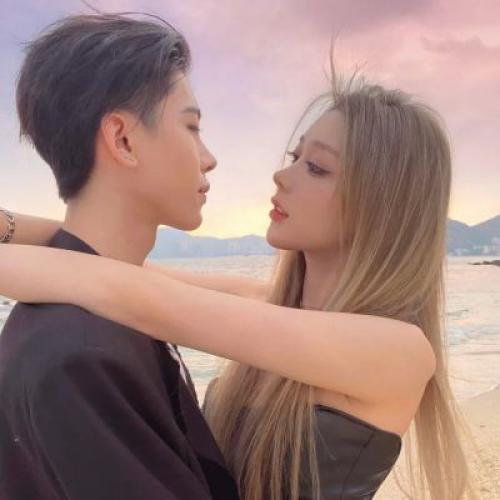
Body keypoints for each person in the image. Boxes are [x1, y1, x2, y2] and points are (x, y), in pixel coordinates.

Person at [0, 12, 239, 500]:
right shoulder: (79, 358)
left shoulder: (104, 315)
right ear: (123, 140)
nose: (209, 157)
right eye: (191, 127)